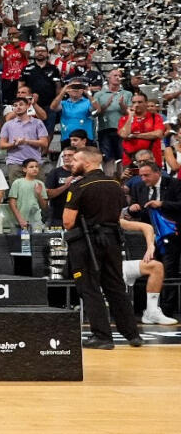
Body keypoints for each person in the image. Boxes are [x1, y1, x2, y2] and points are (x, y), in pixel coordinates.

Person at [63, 147, 144, 349]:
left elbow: (68, 222)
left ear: (88, 163)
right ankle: (132, 334)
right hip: (113, 240)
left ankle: (102, 336)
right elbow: (118, 215)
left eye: (75, 160)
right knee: (115, 286)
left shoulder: (79, 186)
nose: (71, 163)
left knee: (89, 287)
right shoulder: (115, 185)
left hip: (87, 241)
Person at [116, 218, 179, 325]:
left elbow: (147, 227)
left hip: (120, 265)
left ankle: (151, 313)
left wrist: (150, 246)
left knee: (156, 267)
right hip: (97, 268)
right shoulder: (85, 221)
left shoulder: (114, 220)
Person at [126, 161, 181, 273]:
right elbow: (136, 210)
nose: (143, 179)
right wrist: (132, 209)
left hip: (171, 233)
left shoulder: (175, 184)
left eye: (146, 175)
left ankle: (169, 290)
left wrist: (162, 204)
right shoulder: (138, 187)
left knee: (168, 269)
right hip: (149, 235)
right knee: (151, 268)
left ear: (158, 173)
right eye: (141, 175)